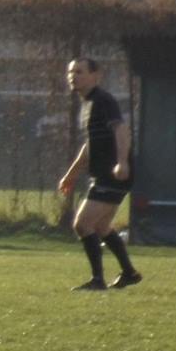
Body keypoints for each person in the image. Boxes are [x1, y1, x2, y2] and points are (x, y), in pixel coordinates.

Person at [59, 56, 140, 291]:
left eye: (80, 72)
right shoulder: (88, 104)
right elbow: (90, 145)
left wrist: (122, 163)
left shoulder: (103, 100)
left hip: (112, 176)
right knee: (102, 227)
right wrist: (71, 174)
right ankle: (129, 273)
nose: (73, 76)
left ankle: (97, 280)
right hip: (104, 175)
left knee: (82, 224)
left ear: (96, 76)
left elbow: (122, 130)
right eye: (71, 72)